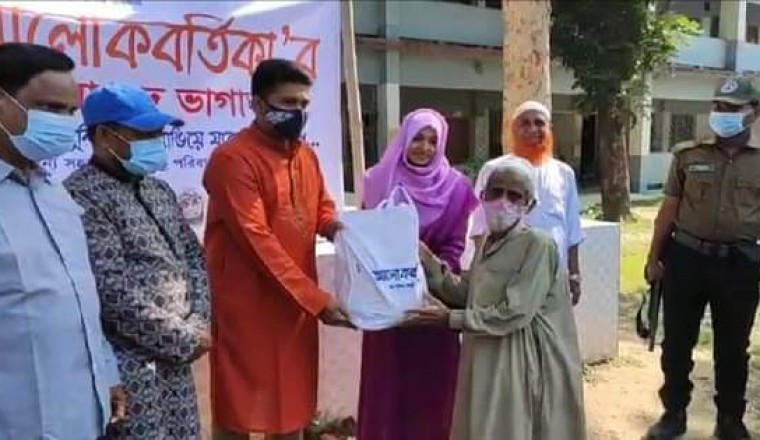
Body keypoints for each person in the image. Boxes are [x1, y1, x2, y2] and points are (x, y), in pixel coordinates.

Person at [203, 59, 350, 440]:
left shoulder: (305, 155)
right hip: (247, 307)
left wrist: (346, 232)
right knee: (238, 410)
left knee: (293, 408)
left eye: (303, 104)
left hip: (294, 307)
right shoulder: (233, 159)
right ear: (257, 104)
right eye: (288, 102)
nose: (297, 112)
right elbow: (256, 239)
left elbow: (322, 209)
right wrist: (318, 301)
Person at [64, 83, 211, 439]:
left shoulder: (158, 190)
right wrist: (182, 337)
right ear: (104, 135)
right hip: (129, 364)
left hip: (178, 359)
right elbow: (111, 290)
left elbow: (193, 257)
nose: (155, 141)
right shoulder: (82, 195)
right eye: (144, 134)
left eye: (158, 133)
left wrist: (199, 322)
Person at [405, 156, 586, 440]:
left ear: (529, 205)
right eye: (496, 192)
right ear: (483, 197)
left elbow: (515, 313)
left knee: (509, 427)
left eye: (514, 196)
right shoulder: (487, 243)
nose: (503, 201)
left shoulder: (538, 245)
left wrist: (450, 319)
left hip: (520, 357)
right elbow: (469, 294)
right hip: (485, 351)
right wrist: (429, 262)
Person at [0, 42, 125, 439]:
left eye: (71, 112)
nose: (65, 123)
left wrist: (105, 374)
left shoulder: (55, 194)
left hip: (83, 416)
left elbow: (79, 297)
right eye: (50, 108)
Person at [643, 77, 760, 440]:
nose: (722, 113)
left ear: (753, 113)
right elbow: (668, 210)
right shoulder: (688, 155)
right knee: (677, 343)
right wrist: (654, 258)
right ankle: (673, 413)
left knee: (733, 349)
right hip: (687, 258)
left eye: (732, 108)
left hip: (739, 264)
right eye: (718, 106)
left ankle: (729, 420)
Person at [357, 108, 479, 440]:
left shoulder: (457, 188)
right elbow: (366, 238)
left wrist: (429, 272)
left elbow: (455, 245)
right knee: (387, 389)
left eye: (432, 141)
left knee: (431, 392)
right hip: (387, 307)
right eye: (417, 139)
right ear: (404, 139)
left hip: (432, 305)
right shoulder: (377, 180)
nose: (424, 147)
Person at [469, 101, 585, 304]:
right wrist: (479, 273)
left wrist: (574, 273)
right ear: (513, 130)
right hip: (505, 276)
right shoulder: (494, 169)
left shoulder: (563, 173)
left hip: (552, 274)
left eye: (539, 123)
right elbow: (479, 226)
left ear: (549, 129)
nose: (532, 129)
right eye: (525, 123)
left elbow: (571, 228)